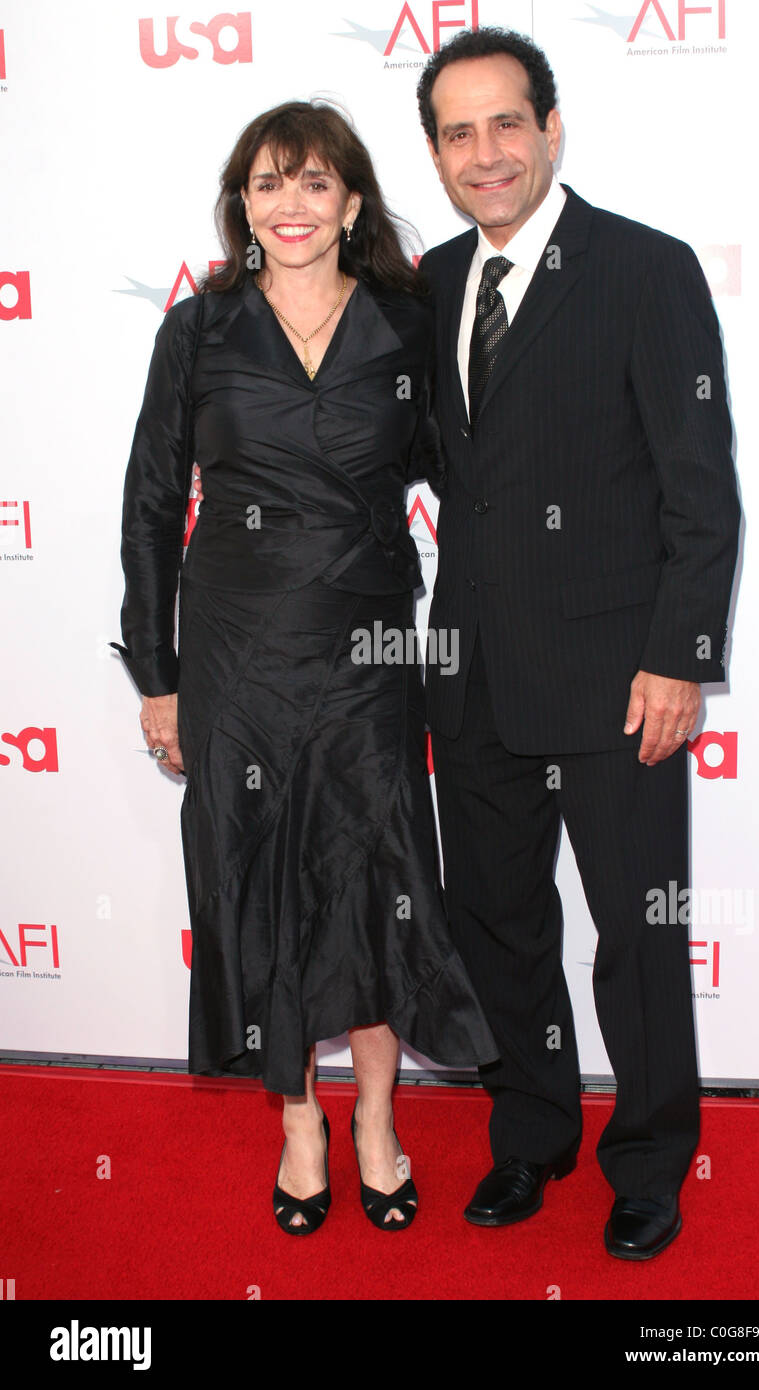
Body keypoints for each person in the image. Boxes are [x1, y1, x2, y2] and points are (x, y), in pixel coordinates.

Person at [111, 100, 497, 1236]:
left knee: (380, 883)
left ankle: (377, 1118)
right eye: (270, 183)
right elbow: (147, 502)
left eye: (316, 183)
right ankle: (298, 1124)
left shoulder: (407, 323)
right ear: (243, 202)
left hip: (370, 648)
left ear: (352, 202)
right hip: (234, 649)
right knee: (264, 885)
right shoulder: (200, 327)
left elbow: (461, 472)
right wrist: (158, 674)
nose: (291, 204)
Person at [415, 27, 740, 1257]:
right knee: (498, 921)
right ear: (437, 155)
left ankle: (651, 1156)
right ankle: (533, 1130)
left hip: (620, 681)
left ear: (553, 129)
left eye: (507, 123)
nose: (486, 153)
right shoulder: (433, 280)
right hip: (476, 674)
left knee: (639, 935)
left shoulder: (644, 270)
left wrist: (680, 656)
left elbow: (700, 488)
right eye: (459, 132)